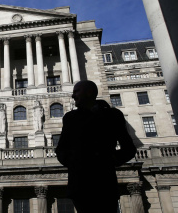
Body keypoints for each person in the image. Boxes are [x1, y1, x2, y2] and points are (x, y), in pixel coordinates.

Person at [55, 80, 137, 213]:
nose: (73, 96)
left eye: (76, 91)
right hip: (80, 185)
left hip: (105, 183)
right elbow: (61, 149)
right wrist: (75, 163)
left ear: (89, 92)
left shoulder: (112, 115)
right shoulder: (70, 118)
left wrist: (110, 160)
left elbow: (129, 148)